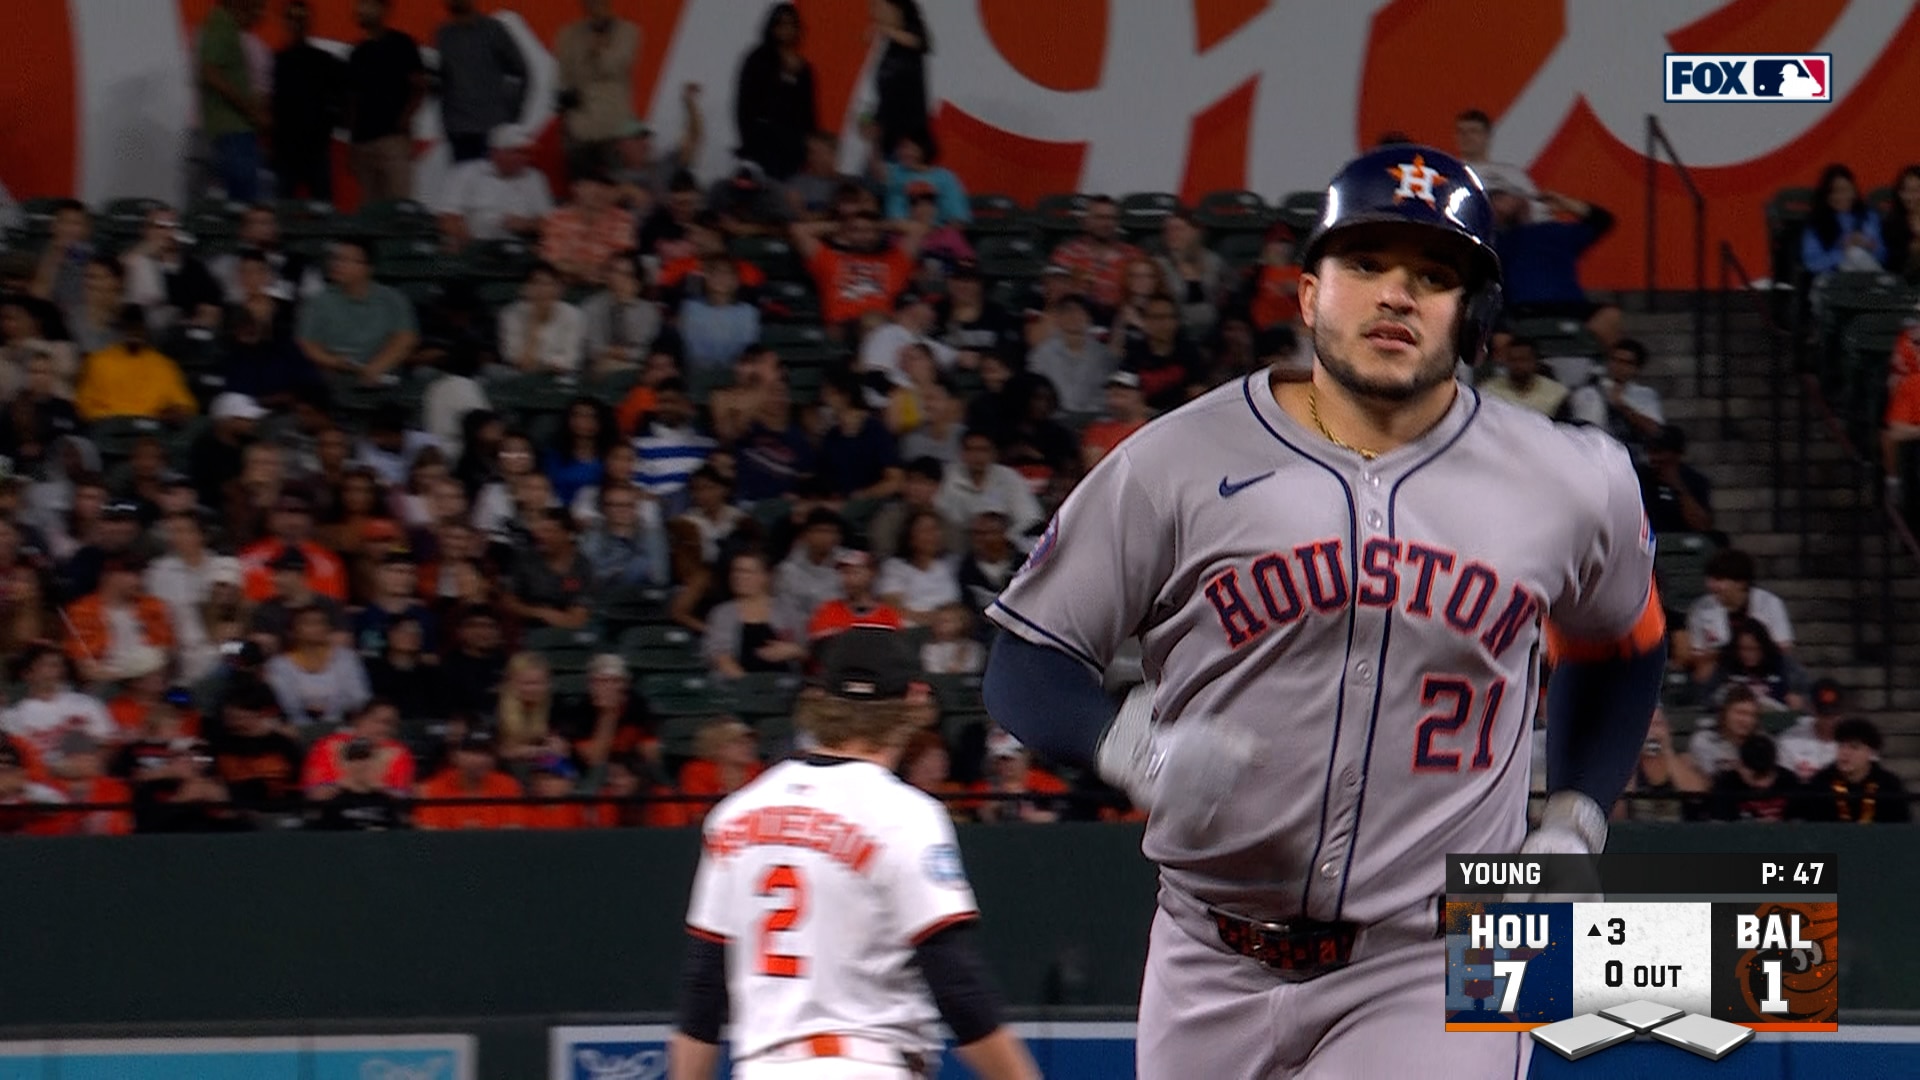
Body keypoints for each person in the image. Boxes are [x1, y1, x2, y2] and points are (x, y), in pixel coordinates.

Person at [979, 145, 1665, 1079]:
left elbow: (1624, 644)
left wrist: (1576, 815)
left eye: (1433, 274)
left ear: (1473, 315)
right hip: (1205, 952)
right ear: (1308, 292)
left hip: (1432, 960)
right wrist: (1125, 744)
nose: (1396, 294)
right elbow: (1027, 658)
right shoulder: (1173, 462)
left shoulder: (1570, 480)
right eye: (1366, 264)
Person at [668, 626, 1039, 1080]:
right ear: (914, 700)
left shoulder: (735, 814)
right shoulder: (905, 813)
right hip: (868, 1061)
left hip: (764, 1066)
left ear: (819, 700)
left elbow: (702, 992)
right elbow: (956, 984)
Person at [345, 0, 427, 201]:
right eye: (359, 6)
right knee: (371, 212)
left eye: (367, 5)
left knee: (400, 208)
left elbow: (419, 85)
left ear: (384, 9)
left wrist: (405, 119)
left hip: (393, 140)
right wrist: (352, 143)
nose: (361, 9)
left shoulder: (402, 43)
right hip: (362, 143)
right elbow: (353, 99)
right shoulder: (357, 53)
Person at [433, 0, 527, 163]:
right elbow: (443, 79)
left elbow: (520, 73)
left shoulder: (493, 30)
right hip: (459, 129)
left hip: (493, 128)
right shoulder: (443, 35)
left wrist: (511, 114)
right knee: (465, 185)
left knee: (494, 186)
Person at [734, 4, 817, 181]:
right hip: (759, 145)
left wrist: (807, 148)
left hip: (792, 153)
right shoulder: (757, 60)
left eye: (791, 25)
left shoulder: (803, 69)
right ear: (772, 27)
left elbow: (808, 114)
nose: (786, 30)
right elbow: (745, 106)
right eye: (781, 24)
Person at [1802, 719, 1909, 824]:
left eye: (1854, 747)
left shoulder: (1888, 785)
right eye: (1841, 746)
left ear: (1871, 752)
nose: (1845, 753)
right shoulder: (1821, 782)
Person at [868, 0, 934, 162]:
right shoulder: (888, 47)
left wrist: (886, 30)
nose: (875, 12)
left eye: (880, 6)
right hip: (887, 140)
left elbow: (922, 42)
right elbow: (885, 94)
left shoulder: (911, 31)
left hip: (910, 143)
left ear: (897, 9)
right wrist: (871, 121)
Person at [1800, 163, 1884, 276]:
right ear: (1826, 195)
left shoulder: (1868, 217)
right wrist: (1841, 251)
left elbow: (1884, 256)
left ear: (1854, 191)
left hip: (1868, 275)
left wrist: (1867, 244)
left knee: (1856, 254)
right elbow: (1811, 263)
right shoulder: (1816, 223)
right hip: (1833, 282)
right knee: (1853, 254)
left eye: (1845, 190)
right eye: (1835, 192)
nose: (1841, 196)